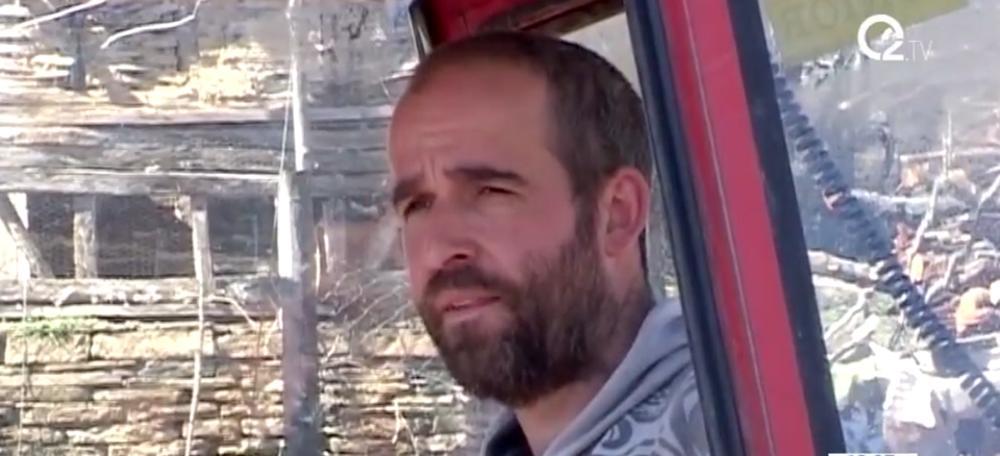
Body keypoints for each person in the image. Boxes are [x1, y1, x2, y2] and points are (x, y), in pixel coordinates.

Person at [386, 30, 710, 456]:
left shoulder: (738, 424)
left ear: (617, 214)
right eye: (416, 206)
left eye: (491, 192)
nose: (438, 250)